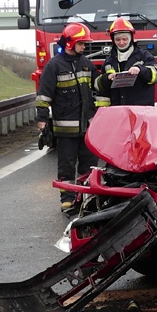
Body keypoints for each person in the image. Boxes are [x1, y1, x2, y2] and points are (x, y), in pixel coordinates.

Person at [35, 23, 98, 212]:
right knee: (66, 165)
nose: (84, 47)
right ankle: (67, 199)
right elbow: (44, 96)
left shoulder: (86, 64)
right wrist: (42, 120)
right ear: (70, 43)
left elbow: (97, 90)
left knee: (89, 164)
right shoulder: (53, 66)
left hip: (87, 128)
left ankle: (87, 198)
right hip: (65, 129)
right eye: (81, 43)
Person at [94, 18, 157, 107]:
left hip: (140, 111)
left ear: (131, 38)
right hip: (118, 112)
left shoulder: (144, 56)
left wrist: (140, 70)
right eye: (118, 39)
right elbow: (99, 88)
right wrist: (107, 78)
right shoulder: (108, 62)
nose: (121, 43)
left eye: (125, 39)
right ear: (113, 40)